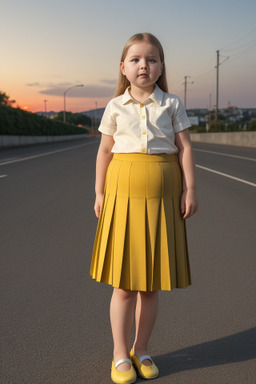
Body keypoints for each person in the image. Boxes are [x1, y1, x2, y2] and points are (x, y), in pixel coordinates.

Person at [90, 32, 198, 384]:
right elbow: (105, 151)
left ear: (161, 66)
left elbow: (184, 148)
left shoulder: (172, 104)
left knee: (150, 284)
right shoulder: (115, 106)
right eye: (136, 59)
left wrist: (190, 189)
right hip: (121, 194)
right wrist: (99, 192)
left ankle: (142, 348)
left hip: (165, 195)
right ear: (123, 67)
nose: (144, 65)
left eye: (152, 59)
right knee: (123, 283)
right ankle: (120, 354)